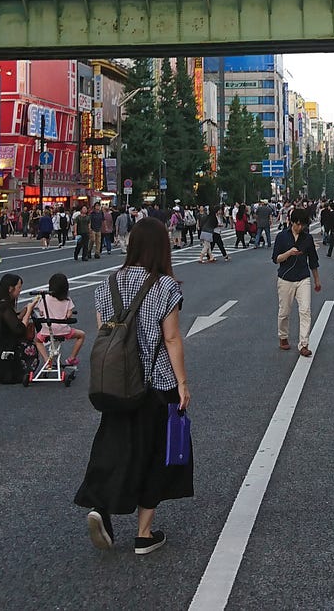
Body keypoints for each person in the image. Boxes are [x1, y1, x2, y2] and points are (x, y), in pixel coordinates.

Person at [76, 217, 192, 555]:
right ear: (161, 248)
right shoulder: (166, 287)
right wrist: (183, 384)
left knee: (116, 448)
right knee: (158, 454)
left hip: (116, 384)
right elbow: (171, 339)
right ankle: (144, 534)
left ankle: (102, 507)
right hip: (156, 384)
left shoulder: (107, 284)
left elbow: (107, 333)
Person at [272, 207, 322, 355]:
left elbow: (313, 260)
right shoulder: (282, 236)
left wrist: (317, 280)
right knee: (284, 312)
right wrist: (289, 253)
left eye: (303, 225)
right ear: (291, 222)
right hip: (285, 278)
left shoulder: (308, 238)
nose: (300, 228)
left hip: (303, 277)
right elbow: (276, 259)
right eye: (297, 224)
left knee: (305, 310)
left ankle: (304, 344)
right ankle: (283, 336)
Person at [31, 272, 87, 369]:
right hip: (63, 331)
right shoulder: (67, 300)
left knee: (37, 340)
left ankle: (46, 359)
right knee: (81, 335)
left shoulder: (46, 299)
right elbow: (69, 315)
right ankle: (72, 358)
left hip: (47, 331)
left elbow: (41, 312)